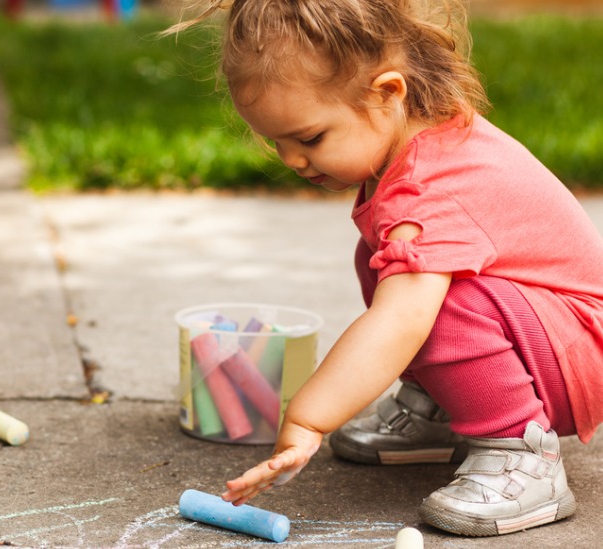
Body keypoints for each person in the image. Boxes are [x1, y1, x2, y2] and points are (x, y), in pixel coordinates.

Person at [166, 0, 603, 537]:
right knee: (390, 264)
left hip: (578, 352)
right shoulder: (413, 147)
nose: (293, 161)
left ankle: (522, 455)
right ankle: (440, 409)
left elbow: (397, 325)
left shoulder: (428, 190)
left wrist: (307, 418)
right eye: (275, 141)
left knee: (431, 298)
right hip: (552, 339)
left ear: (388, 94)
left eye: (309, 138)